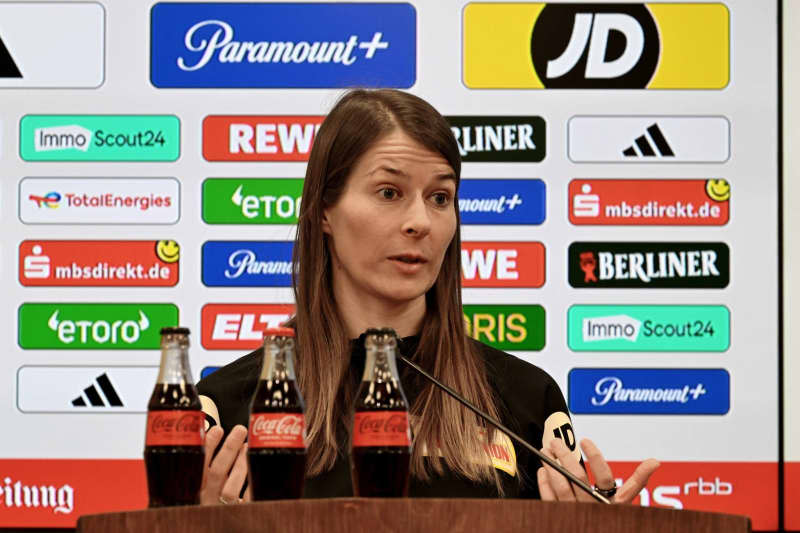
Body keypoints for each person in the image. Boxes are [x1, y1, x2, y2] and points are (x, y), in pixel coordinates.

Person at [196, 89, 659, 505]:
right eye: (389, 192)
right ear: (324, 211)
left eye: (440, 197)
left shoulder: (527, 398)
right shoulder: (229, 408)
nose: (420, 221)